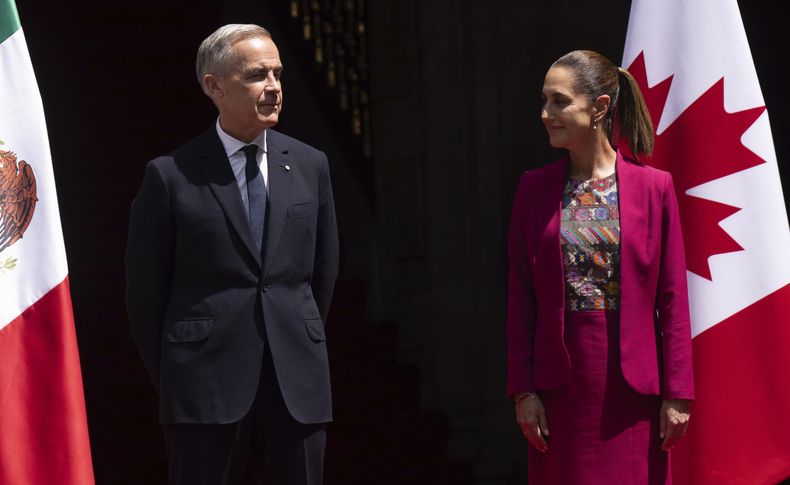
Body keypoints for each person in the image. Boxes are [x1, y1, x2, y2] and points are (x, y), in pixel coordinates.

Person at [125, 24, 339, 485]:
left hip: (295, 385)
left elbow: (322, 275)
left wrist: (293, 338)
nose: (274, 87)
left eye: (278, 74)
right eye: (258, 75)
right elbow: (145, 295)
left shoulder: (310, 165)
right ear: (214, 86)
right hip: (204, 388)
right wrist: (181, 374)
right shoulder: (170, 176)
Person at [506, 50, 694, 484]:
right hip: (558, 394)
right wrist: (523, 392)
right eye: (544, 101)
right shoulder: (533, 190)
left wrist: (679, 393)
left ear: (600, 108)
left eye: (559, 101)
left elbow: (674, 299)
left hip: (634, 394)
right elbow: (520, 298)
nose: (545, 113)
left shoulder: (655, 188)